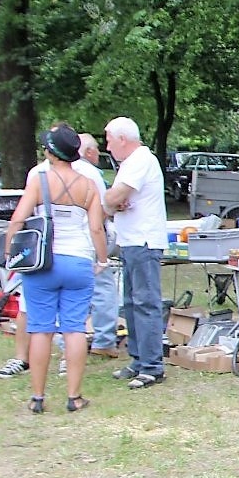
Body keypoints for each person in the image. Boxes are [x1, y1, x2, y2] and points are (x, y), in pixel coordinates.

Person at [4, 124, 109, 414]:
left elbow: (18, 219)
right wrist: (102, 259)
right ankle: (74, 396)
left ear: (50, 152)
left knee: (40, 329)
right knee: (75, 329)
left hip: (43, 261)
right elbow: (96, 228)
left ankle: (38, 397)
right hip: (78, 261)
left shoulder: (39, 181)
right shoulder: (88, 185)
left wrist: (9, 251)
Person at [103, 116, 169, 389]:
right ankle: (138, 360)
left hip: (143, 242)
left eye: (108, 140)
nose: (106, 147)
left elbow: (111, 198)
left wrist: (111, 202)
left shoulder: (141, 159)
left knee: (145, 303)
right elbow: (114, 200)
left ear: (122, 139)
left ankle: (153, 366)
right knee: (130, 303)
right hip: (131, 241)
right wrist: (113, 202)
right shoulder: (130, 164)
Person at [77, 134, 122, 357]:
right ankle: (104, 340)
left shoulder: (54, 171)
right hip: (90, 237)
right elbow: (103, 208)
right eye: (96, 149)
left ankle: (69, 338)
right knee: (103, 287)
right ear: (88, 152)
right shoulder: (90, 173)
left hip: (66, 243)